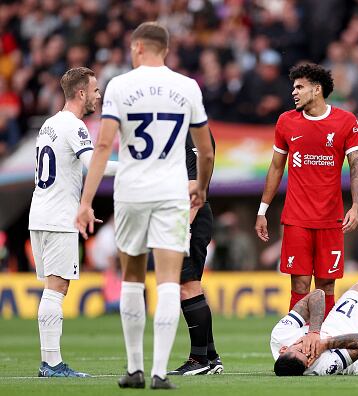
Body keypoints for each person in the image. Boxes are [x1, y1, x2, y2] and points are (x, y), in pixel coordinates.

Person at [75, 22, 214, 389]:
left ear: (138, 47)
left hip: (132, 192)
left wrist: (86, 201)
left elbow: (103, 147)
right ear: (165, 49)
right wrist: (199, 187)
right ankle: (158, 373)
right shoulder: (187, 87)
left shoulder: (120, 85)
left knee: (133, 280)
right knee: (170, 282)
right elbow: (207, 149)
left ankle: (135, 369)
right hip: (171, 194)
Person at [255, 63, 358, 318]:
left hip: (330, 219)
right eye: (294, 87)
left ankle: (323, 343)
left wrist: (356, 206)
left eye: (299, 87)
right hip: (297, 219)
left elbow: (356, 167)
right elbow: (275, 168)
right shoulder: (286, 121)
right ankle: (297, 343)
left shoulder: (346, 121)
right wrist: (262, 210)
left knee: (326, 285)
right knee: (300, 285)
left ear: (317, 90)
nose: (294, 92)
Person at [29, 67, 118, 377]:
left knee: (53, 287)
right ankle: (51, 364)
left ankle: (50, 362)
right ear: (81, 93)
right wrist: (132, 167)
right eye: (94, 90)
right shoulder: (74, 125)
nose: (98, 95)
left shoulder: (49, 125)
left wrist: (81, 202)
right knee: (57, 288)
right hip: (57, 218)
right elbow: (93, 165)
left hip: (41, 213)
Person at [167, 131, 223, 376]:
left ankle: (198, 359)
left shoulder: (190, 131)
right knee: (192, 286)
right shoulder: (193, 130)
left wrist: (185, 228)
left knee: (187, 286)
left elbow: (194, 186)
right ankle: (210, 357)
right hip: (188, 216)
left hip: (190, 216)